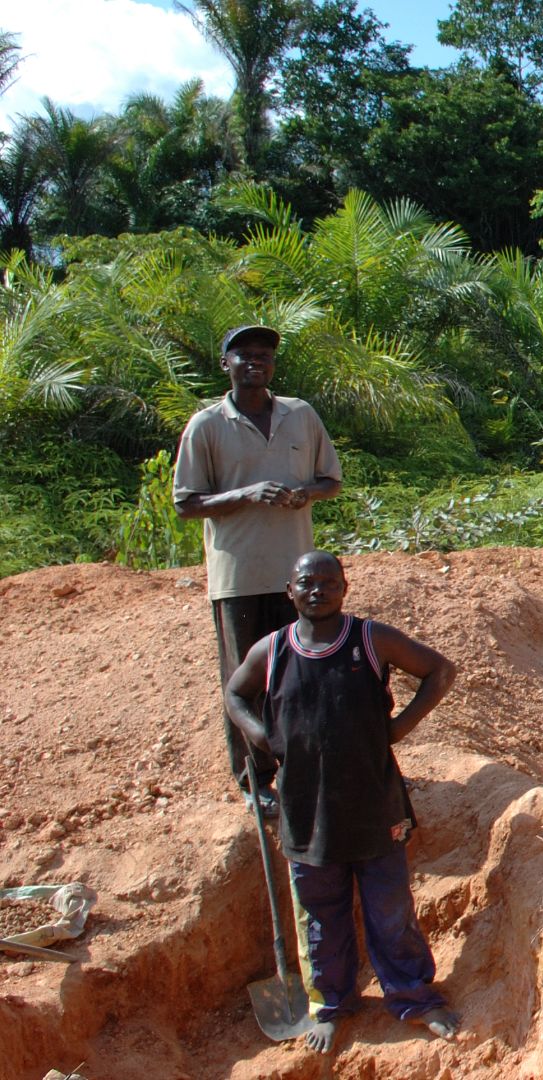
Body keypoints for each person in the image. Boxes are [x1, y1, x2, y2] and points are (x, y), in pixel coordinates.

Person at [224, 551, 459, 1054]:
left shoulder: (371, 640)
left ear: (345, 588)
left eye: (328, 582)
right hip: (307, 812)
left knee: (390, 908)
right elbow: (235, 694)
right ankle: (331, 1005)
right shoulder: (273, 650)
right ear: (290, 591)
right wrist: (264, 737)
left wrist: (396, 729)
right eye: (306, 582)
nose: (318, 590)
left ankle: (413, 997)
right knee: (319, 912)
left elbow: (439, 671)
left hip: (376, 804)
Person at [174, 324, 342, 814]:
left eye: (264, 355)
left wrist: (304, 493)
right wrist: (245, 494)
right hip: (238, 575)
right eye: (244, 355)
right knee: (245, 681)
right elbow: (186, 503)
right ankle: (255, 779)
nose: (255, 362)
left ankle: (304, 768)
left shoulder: (301, 415)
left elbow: (329, 480)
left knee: (299, 673)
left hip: (298, 579)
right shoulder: (207, 425)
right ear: (224, 363)